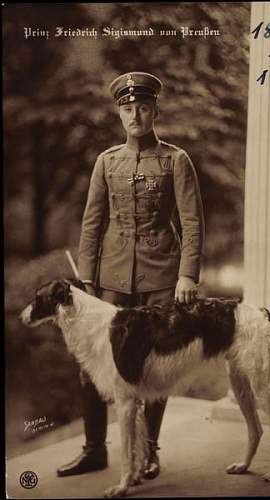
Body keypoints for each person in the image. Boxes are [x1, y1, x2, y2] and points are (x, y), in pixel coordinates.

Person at [57, 72, 205, 479]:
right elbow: (92, 224)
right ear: (119, 113)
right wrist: (87, 281)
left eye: (142, 107)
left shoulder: (176, 160)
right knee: (92, 362)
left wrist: (188, 275)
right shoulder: (107, 161)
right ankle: (93, 449)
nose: (135, 115)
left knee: (155, 364)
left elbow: (192, 223)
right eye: (127, 109)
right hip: (111, 281)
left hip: (162, 277)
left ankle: (149, 450)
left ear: (155, 110)